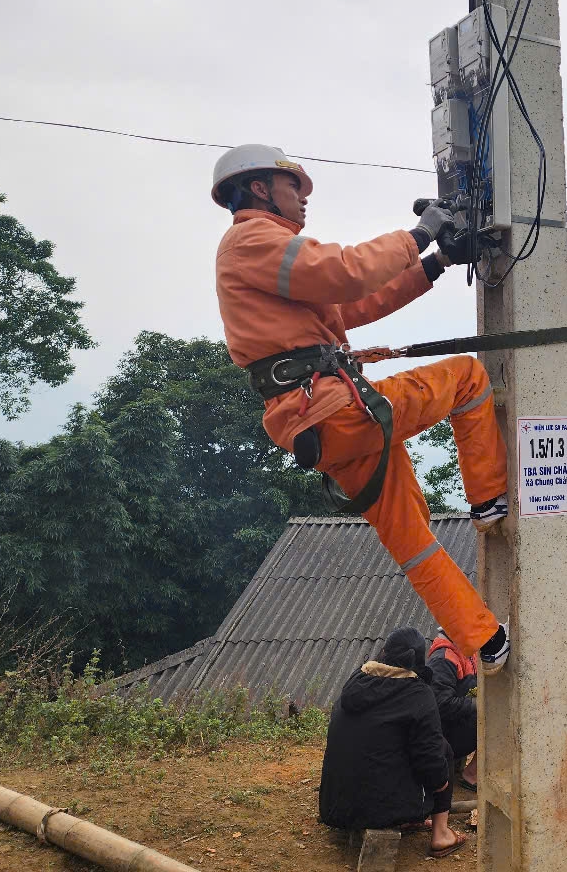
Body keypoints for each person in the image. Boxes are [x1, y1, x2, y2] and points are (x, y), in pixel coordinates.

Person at [211, 145, 508, 671]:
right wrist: (420, 233)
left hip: (321, 425)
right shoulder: (251, 238)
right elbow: (347, 272)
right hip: (337, 408)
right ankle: (488, 503)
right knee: (467, 377)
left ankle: (483, 641)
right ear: (260, 188)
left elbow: (351, 304)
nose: (304, 202)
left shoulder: (266, 260)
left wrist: (434, 261)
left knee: (410, 536)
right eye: (294, 189)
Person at [318, 628, 467, 858]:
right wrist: (442, 785)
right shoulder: (418, 693)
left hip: (335, 805)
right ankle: (441, 834)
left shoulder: (357, 679)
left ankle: (406, 819)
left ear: (384, 652)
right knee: (442, 750)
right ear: (419, 659)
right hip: (378, 810)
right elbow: (430, 759)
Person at [427, 626, 478, 790]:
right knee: (497, 718)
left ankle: (471, 771)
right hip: (446, 734)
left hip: (458, 725)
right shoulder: (443, 659)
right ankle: (472, 775)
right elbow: (441, 704)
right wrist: (476, 704)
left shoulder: (466, 651)